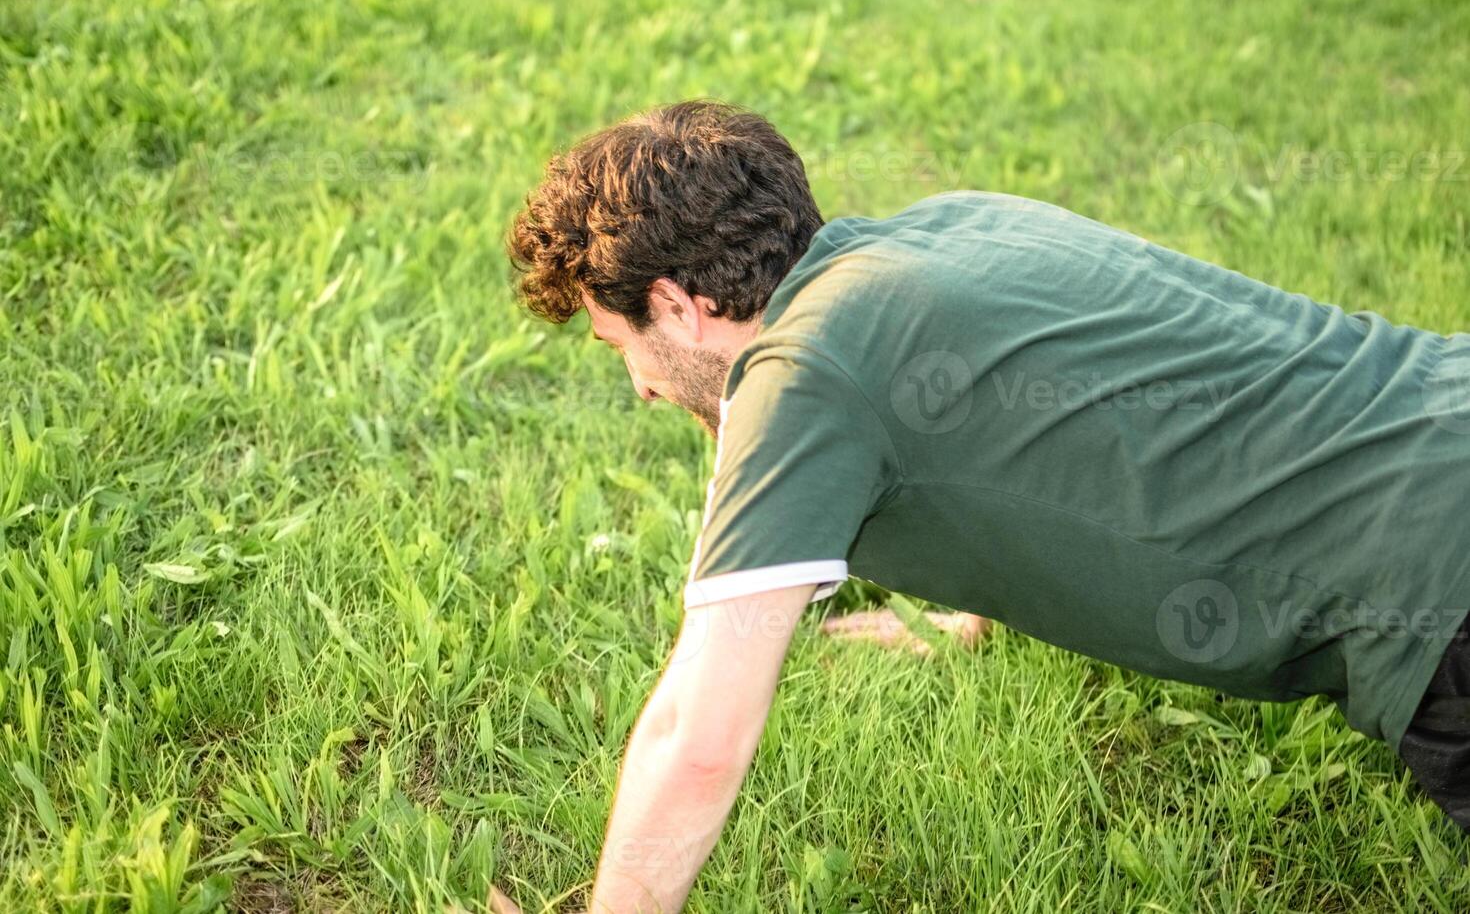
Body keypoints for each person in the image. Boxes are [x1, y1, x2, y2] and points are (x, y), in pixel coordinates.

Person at [494, 99, 1470, 912]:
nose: (637, 384)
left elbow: (696, 740)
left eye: (614, 338)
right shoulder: (950, 225)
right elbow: (1054, 423)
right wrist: (973, 615)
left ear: (675, 304)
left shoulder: (807, 379)